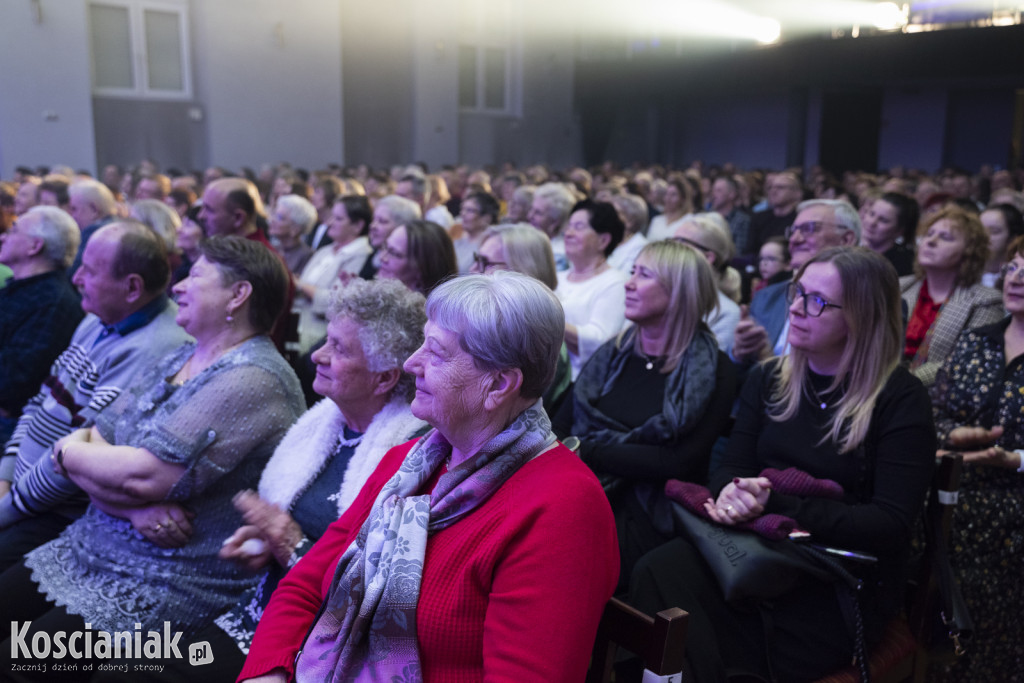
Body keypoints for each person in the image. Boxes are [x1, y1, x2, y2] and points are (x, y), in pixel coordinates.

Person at [239, 273, 618, 682]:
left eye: (435, 354)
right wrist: (269, 672)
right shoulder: (410, 463)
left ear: (498, 384)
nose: (410, 363)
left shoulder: (562, 509)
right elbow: (307, 582)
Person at [0, 236, 306, 677]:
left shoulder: (254, 377)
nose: (178, 286)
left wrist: (67, 453)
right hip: (88, 548)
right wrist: (123, 498)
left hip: (161, 581)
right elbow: (99, 436)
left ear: (238, 296)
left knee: (18, 664)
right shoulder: (181, 355)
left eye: (195, 276)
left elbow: (140, 476)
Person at [630, 246, 936, 682]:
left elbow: (889, 524)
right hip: (757, 550)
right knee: (657, 573)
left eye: (816, 301)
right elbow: (728, 466)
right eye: (797, 292)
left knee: (732, 642)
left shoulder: (899, 399)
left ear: (861, 317)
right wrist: (733, 491)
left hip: (834, 574)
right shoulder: (770, 378)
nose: (793, 307)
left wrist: (776, 503)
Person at [100, 278, 429, 682]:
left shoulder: (405, 460)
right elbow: (293, 529)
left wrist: (289, 544)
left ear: (385, 378)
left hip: (317, 644)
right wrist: (263, 544)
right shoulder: (324, 425)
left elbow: (372, 593)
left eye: (339, 349)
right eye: (326, 340)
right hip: (257, 611)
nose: (318, 356)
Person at [0, 221, 192, 570]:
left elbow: (77, 455)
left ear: (132, 287)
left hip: (62, 510)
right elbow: (41, 399)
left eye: (89, 271)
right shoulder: (96, 318)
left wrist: (8, 506)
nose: (75, 279)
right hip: (22, 490)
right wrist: (6, 473)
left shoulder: (157, 349)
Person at [553, 240, 736, 590]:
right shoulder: (614, 352)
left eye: (645, 275)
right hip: (582, 484)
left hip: (652, 508)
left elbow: (679, 462)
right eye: (633, 271)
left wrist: (587, 450)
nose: (629, 282)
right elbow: (561, 425)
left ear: (680, 292)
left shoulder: (715, 369)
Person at [928, 236, 1024, 682]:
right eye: (1013, 266)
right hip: (955, 494)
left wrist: (1015, 459)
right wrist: (955, 434)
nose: (1017, 278)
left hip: (1015, 506)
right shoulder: (977, 340)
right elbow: (936, 412)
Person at [0, 207, 83, 444]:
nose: (3, 236)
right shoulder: (22, 288)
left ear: (34, 246)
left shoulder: (53, 303)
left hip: (15, 429)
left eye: (14, 230)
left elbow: (13, 383)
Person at [469, 223, 571, 412]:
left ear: (522, 271)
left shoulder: (539, 342)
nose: (472, 269)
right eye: (476, 260)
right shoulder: (486, 324)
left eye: (485, 263)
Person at [901, 206, 1004, 388]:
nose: (931, 241)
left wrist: (903, 383)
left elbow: (965, 360)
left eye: (945, 238)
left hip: (936, 399)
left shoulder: (985, 300)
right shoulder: (899, 286)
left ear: (969, 252)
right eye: (929, 234)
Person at [556, 199, 626, 379]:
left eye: (578, 227)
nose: (568, 233)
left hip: (578, 380)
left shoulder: (614, 282)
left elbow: (600, 340)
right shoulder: (558, 277)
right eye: (569, 226)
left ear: (603, 240)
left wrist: (547, 322)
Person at [294, 195, 374, 354]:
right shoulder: (325, 250)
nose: (330, 223)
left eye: (338, 218)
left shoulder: (362, 256)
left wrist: (302, 286)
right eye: (331, 217)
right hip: (299, 324)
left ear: (357, 225)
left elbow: (337, 301)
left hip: (322, 335)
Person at [674, 213, 742, 353]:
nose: (669, 249)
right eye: (670, 241)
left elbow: (710, 365)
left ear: (708, 257)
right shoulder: (660, 294)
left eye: (680, 242)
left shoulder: (727, 313)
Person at [377, 218, 457, 295]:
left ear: (423, 268)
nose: (382, 257)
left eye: (394, 253)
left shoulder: (427, 308)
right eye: (385, 246)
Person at [358, 194, 421, 280]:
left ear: (401, 228)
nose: (373, 226)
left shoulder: (404, 267)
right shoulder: (373, 252)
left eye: (382, 221)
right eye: (374, 219)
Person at [860, 191, 919, 276]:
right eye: (871, 214)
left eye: (883, 220)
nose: (872, 222)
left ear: (899, 231)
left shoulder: (903, 265)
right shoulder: (853, 249)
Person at [267, 194, 316, 275]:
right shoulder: (272, 248)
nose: (272, 220)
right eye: (274, 214)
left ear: (295, 229)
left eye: (280, 217)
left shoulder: (307, 256)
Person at [452, 191, 500, 273]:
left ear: (486, 217)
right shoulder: (458, 241)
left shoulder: (490, 247)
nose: (463, 213)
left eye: (470, 210)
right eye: (462, 209)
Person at [979, 202, 1024, 287]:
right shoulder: (963, 272)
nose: (984, 236)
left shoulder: (1019, 276)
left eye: (994, 231)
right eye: (980, 229)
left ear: (1013, 238)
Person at [647, 174, 695, 242]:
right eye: (667, 194)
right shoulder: (656, 220)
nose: (668, 199)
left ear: (683, 199)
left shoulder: (689, 221)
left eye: (673, 195)